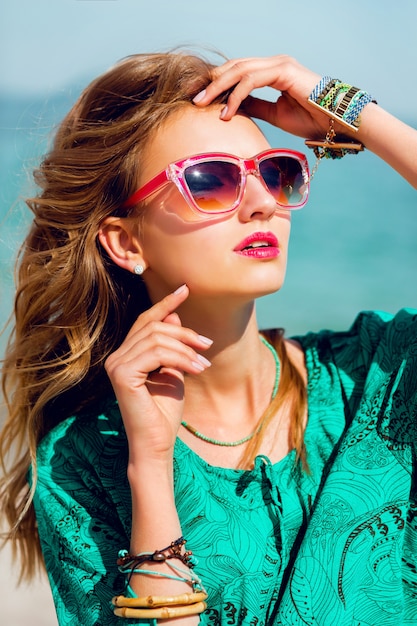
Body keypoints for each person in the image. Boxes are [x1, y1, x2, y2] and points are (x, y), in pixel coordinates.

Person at [0, 51, 416, 626]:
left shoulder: (379, 377)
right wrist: (150, 467)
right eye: (211, 181)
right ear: (126, 243)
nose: (263, 202)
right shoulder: (84, 460)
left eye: (276, 173)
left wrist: (345, 108)